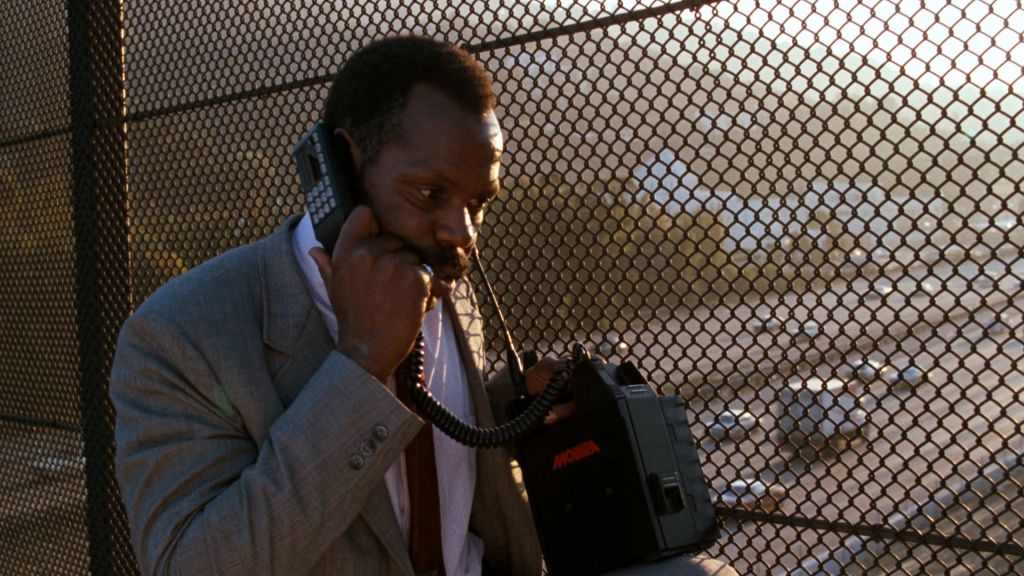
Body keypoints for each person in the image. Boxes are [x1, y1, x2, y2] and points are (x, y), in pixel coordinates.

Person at [111, 36, 737, 576]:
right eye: (430, 192)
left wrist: (512, 406)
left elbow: (439, 423)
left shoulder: (443, 282)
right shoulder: (181, 333)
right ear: (345, 165)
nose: (461, 232)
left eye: (478, 203)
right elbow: (190, 563)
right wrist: (360, 364)